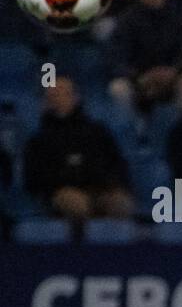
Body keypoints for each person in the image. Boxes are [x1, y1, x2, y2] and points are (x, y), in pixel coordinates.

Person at [23, 76, 134, 231]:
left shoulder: (97, 132)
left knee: (120, 203)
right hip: (61, 192)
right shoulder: (38, 140)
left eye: (64, 94)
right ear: (45, 102)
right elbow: (34, 178)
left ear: (76, 97)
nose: (59, 99)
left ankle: (119, 251)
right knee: (76, 204)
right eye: (53, 95)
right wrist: (58, 187)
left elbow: (117, 163)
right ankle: (80, 252)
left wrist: (112, 184)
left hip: (101, 188)